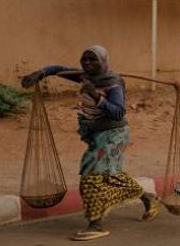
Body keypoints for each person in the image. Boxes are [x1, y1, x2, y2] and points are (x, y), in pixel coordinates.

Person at [21, 46, 160, 241]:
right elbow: (57, 69)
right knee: (112, 175)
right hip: (97, 133)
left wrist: (95, 95)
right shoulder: (85, 76)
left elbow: (119, 112)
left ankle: (95, 223)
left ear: (103, 62)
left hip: (114, 134)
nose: (87, 63)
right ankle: (147, 198)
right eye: (84, 59)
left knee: (91, 174)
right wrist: (41, 73)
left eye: (92, 60)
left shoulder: (113, 83)